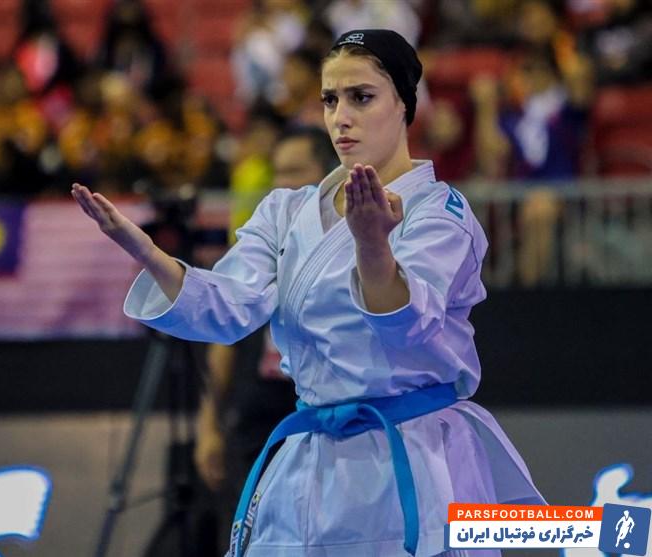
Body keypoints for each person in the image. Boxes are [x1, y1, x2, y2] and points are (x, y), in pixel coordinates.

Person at [72, 28, 545, 557]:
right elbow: (225, 309)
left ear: (404, 104)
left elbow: (408, 326)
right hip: (311, 460)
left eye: (361, 97)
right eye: (330, 99)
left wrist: (372, 246)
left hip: (414, 457)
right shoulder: (287, 211)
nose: (341, 117)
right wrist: (150, 255)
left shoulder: (440, 213)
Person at [194, 126, 339, 552]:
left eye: (294, 171)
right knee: (250, 541)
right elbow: (224, 335)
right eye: (277, 172)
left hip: (328, 416)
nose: (282, 183)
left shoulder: (357, 241)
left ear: (328, 172)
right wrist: (208, 426)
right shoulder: (264, 241)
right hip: (259, 422)